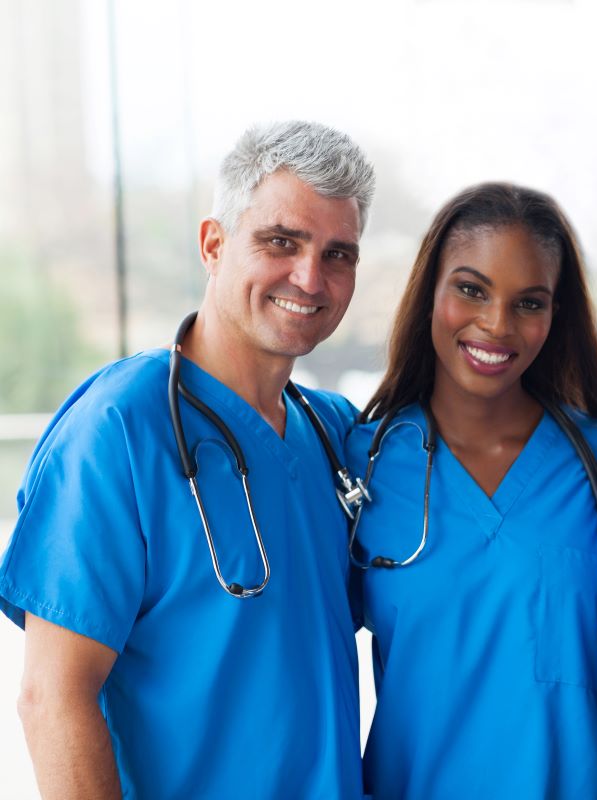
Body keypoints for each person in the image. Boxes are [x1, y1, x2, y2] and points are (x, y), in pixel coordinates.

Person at [0, 121, 374, 798]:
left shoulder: (333, 434)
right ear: (213, 244)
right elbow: (51, 701)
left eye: (338, 254)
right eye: (281, 242)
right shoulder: (118, 429)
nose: (310, 277)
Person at [345, 182, 597, 799]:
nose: (496, 324)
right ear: (430, 290)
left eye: (529, 303)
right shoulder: (360, 466)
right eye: (470, 289)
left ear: (554, 315)